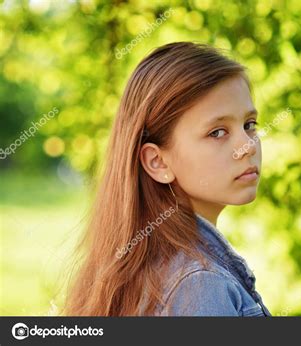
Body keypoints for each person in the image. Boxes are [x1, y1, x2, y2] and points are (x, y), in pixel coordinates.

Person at [65, 42, 271, 316]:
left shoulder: (151, 266)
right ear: (157, 161)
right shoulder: (201, 285)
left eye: (249, 125)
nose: (248, 146)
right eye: (217, 132)